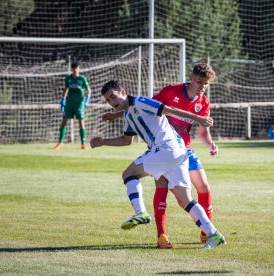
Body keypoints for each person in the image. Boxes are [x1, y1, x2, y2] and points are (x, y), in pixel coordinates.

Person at [90, 80, 226, 249]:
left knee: (128, 174)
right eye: (108, 100)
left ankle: (141, 213)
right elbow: (126, 140)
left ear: (123, 92)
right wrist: (103, 142)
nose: (112, 102)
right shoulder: (127, 115)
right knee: (185, 200)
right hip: (177, 153)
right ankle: (214, 234)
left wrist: (198, 118)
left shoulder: (141, 101)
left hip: (166, 148)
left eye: (113, 96)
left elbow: (170, 110)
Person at [54, 62, 91, 150]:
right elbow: (66, 89)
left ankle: (83, 144)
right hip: (69, 103)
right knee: (64, 121)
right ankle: (60, 143)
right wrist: (63, 99)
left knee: (81, 122)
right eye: (73, 68)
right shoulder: (68, 78)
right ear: (71, 69)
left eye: (76, 68)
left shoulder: (82, 79)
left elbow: (89, 90)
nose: (75, 70)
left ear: (79, 69)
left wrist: (87, 100)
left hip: (79, 104)